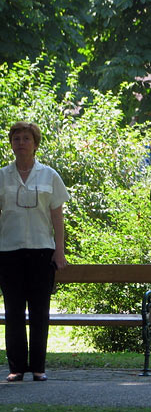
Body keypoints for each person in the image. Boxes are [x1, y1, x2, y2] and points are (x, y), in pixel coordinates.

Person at [0, 121, 69, 383]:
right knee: (14, 311)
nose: (21, 143)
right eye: (16, 138)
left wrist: (59, 251)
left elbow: (57, 216)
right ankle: (17, 367)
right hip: (8, 251)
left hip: (42, 251)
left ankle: (38, 367)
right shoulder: (2, 175)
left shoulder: (49, 175)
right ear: (11, 144)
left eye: (26, 138)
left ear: (35, 143)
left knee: (40, 310)